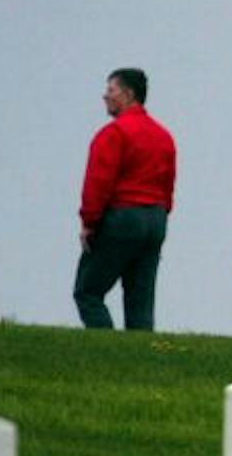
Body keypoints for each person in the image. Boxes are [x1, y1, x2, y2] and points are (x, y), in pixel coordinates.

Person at [74, 67, 176, 330]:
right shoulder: (163, 135)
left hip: (123, 216)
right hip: (155, 219)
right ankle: (140, 350)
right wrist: (161, 213)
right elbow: (168, 182)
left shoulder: (114, 134)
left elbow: (98, 182)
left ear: (128, 94)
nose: (105, 96)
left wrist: (89, 222)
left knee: (88, 291)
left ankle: (104, 346)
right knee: (140, 301)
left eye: (111, 90)